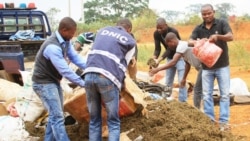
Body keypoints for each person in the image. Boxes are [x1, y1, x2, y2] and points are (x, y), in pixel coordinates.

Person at [32, 17, 86, 141]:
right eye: (71, 33)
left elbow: (75, 58)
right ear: (63, 30)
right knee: (57, 117)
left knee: (55, 115)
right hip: (43, 84)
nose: (73, 36)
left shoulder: (65, 42)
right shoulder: (52, 46)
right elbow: (65, 71)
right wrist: (83, 83)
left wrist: (92, 67)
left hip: (52, 82)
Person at [82, 18, 136, 141]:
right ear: (129, 29)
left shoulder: (102, 31)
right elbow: (123, 67)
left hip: (89, 74)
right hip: (107, 77)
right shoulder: (130, 41)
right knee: (113, 122)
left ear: (116, 25)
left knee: (94, 120)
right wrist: (122, 87)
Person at [188, 4, 233, 131]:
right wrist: (197, 42)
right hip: (206, 68)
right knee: (207, 95)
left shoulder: (221, 23)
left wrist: (218, 37)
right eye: (204, 14)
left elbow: (230, 36)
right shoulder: (199, 28)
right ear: (201, 14)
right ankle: (210, 121)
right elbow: (189, 41)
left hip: (222, 66)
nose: (206, 16)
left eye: (209, 13)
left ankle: (224, 122)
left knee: (224, 95)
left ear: (214, 12)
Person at [149, 32, 203, 109]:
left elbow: (173, 62)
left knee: (198, 90)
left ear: (172, 42)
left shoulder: (181, 46)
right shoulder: (183, 48)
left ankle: (198, 111)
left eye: (168, 44)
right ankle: (199, 109)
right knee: (201, 89)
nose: (169, 47)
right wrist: (184, 78)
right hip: (201, 68)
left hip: (204, 67)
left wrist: (157, 69)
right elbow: (187, 64)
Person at [152, 17, 187, 102]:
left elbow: (170, 49)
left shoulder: (173, 31)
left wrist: (159, 60)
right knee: (168, 81)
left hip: (180, 58)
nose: (159, 30)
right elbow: (157, 49)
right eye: (158, 28)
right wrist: (154, 59)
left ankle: (182, 102)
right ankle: (167, 100)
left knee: (181, 80)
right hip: (170, 58)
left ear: (166, 25)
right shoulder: (157, 34)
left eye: (161, 28)